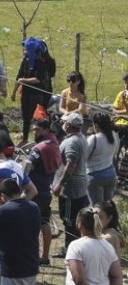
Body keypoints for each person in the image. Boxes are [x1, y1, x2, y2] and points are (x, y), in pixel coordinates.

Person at [53, 112, 90, 254]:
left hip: (70, 189)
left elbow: (71, 165)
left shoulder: (72, 142)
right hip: (80, 185)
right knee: (76, 218)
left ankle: (70, 248)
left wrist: (60, 184)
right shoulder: (82, 138)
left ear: (68, 125)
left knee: (69, 220)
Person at [28, 118, 60, 264]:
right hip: (46, 189)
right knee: (44, 223)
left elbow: (28, 167)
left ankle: (33, 255)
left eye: (38, 130)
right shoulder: (54, 143)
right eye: (34, 129)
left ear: (46, 130)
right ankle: (45, 256)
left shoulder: (39, 148)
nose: (35, 132)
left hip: (34, 191)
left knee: (32, 225)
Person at [11, 36, 52, 143]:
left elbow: (37, 80)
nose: (24, 50)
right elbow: (18, 77)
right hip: (25, 94)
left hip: (37, 95)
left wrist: (23, 80)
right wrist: (14, 92)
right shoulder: (25, 61)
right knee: (26, 118)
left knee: (36, 118)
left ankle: (37, 140)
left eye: (26, 48)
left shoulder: (40, 63)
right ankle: (24, 139)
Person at [86, 112, 118, 204]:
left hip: (95, 176)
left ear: (96, 125)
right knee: (107, 208)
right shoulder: (114, 135)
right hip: (111, 174)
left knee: (97, 208)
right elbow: (115, 152)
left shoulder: (94, 138)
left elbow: (85, 156)